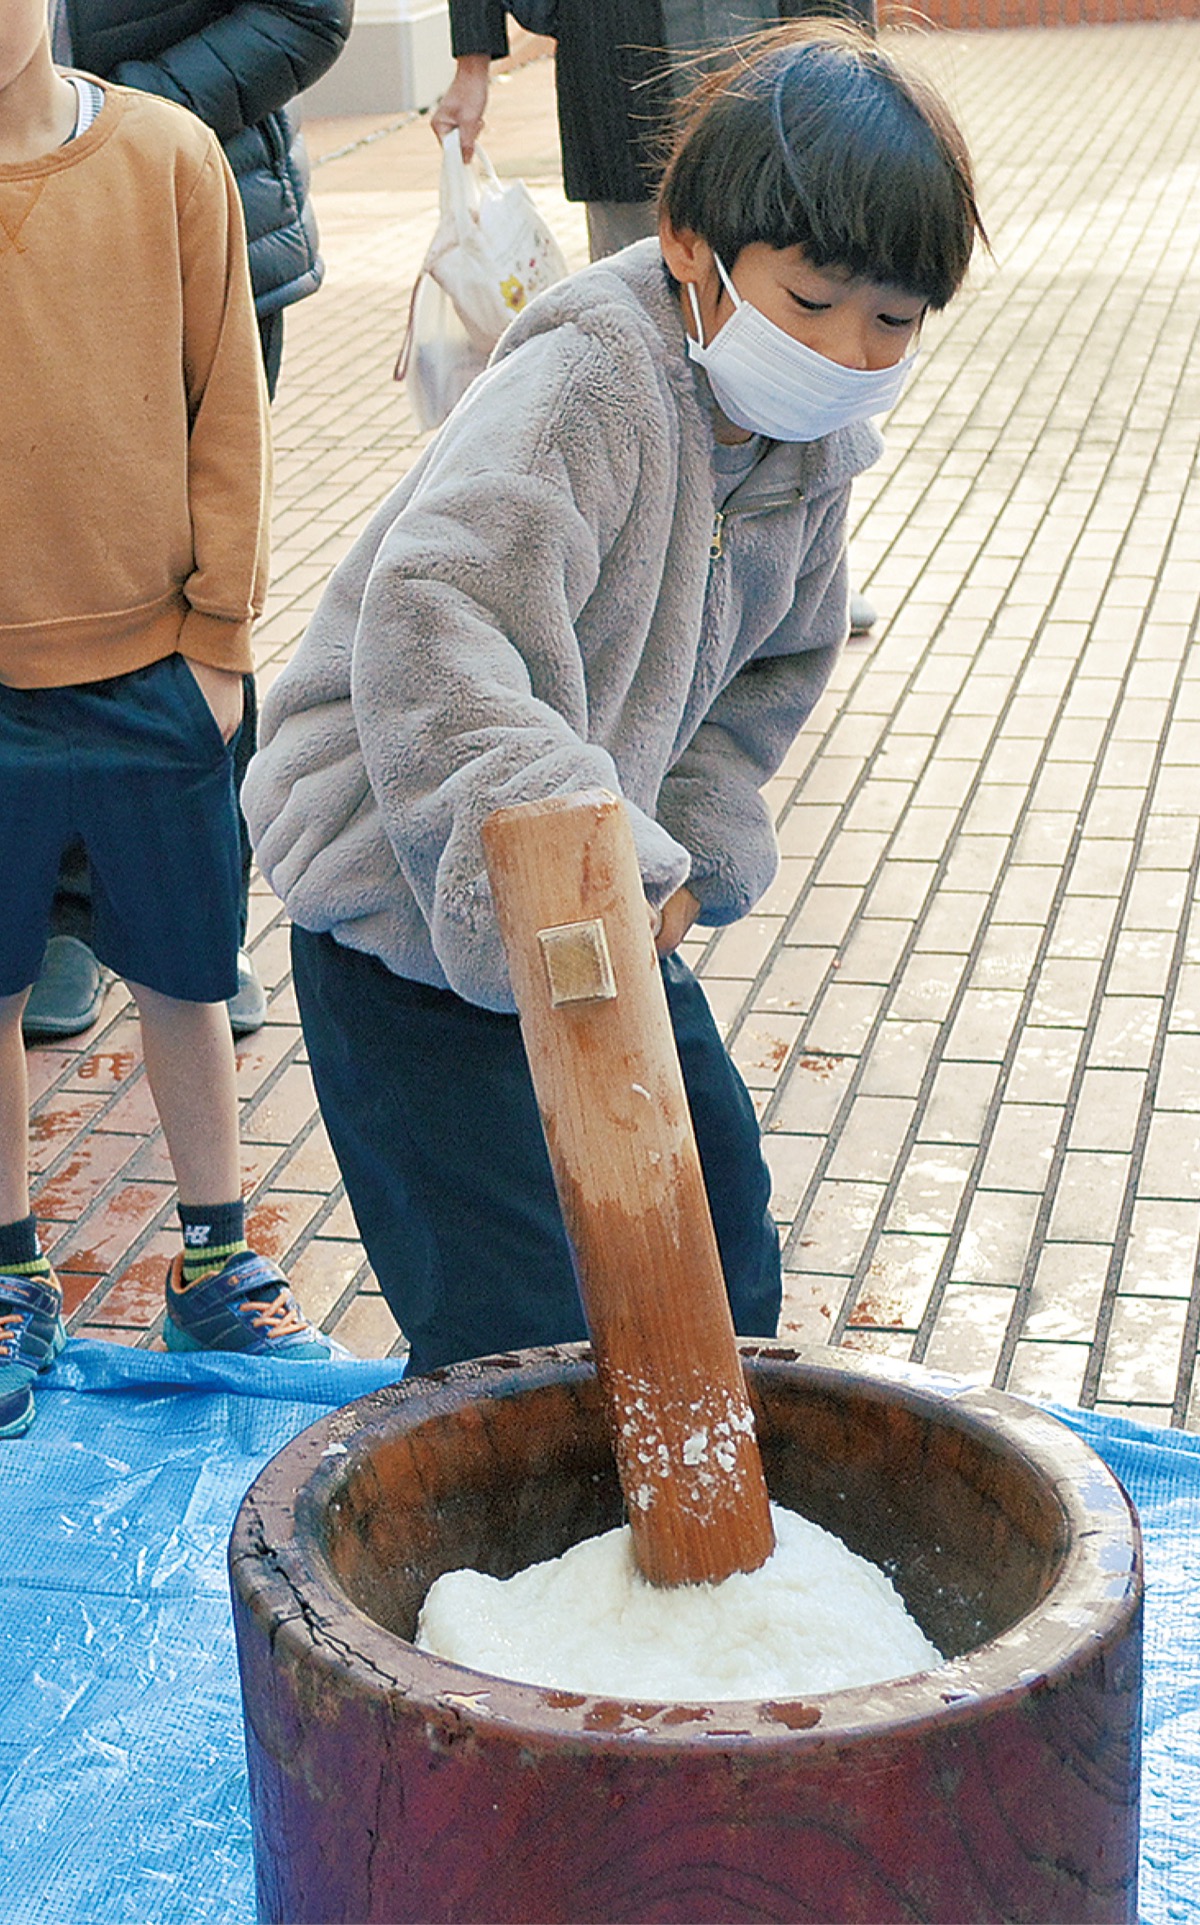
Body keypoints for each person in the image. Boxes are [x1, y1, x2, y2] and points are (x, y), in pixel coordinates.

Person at [245, 22, 985, 1376]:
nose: (852, 351)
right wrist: (577, 865)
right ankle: (502, 1562)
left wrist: (685, 855)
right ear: (695, 247)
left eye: (895, 319)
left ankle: (696, 1546)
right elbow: (434, 619)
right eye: (814, 305)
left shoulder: (807, 449)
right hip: (407, 908)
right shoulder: (592, 380)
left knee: (719, 1245)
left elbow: (770, 671)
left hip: (600, 894)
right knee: (517, 1322)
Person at [0, 0, 343, 1439]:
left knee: (188, 973)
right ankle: (11, 1268)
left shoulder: (169, 156)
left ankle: (216, 1251)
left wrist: (218, 638)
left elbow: (229, 416)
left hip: (157, 667)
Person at [21, 0, 354, 1046]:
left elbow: (306, 12)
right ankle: (66, 909)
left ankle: (203, 911)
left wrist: (124, 125)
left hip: (171, 201)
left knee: (194, 565)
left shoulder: (158, 152)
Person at [439, 1, 882, 632]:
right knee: (641, 356)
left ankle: (801, 571)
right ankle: (646, 582)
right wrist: (473, 65)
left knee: (810, 331)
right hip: (630, 79)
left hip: (786, 77)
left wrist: (863, 78)